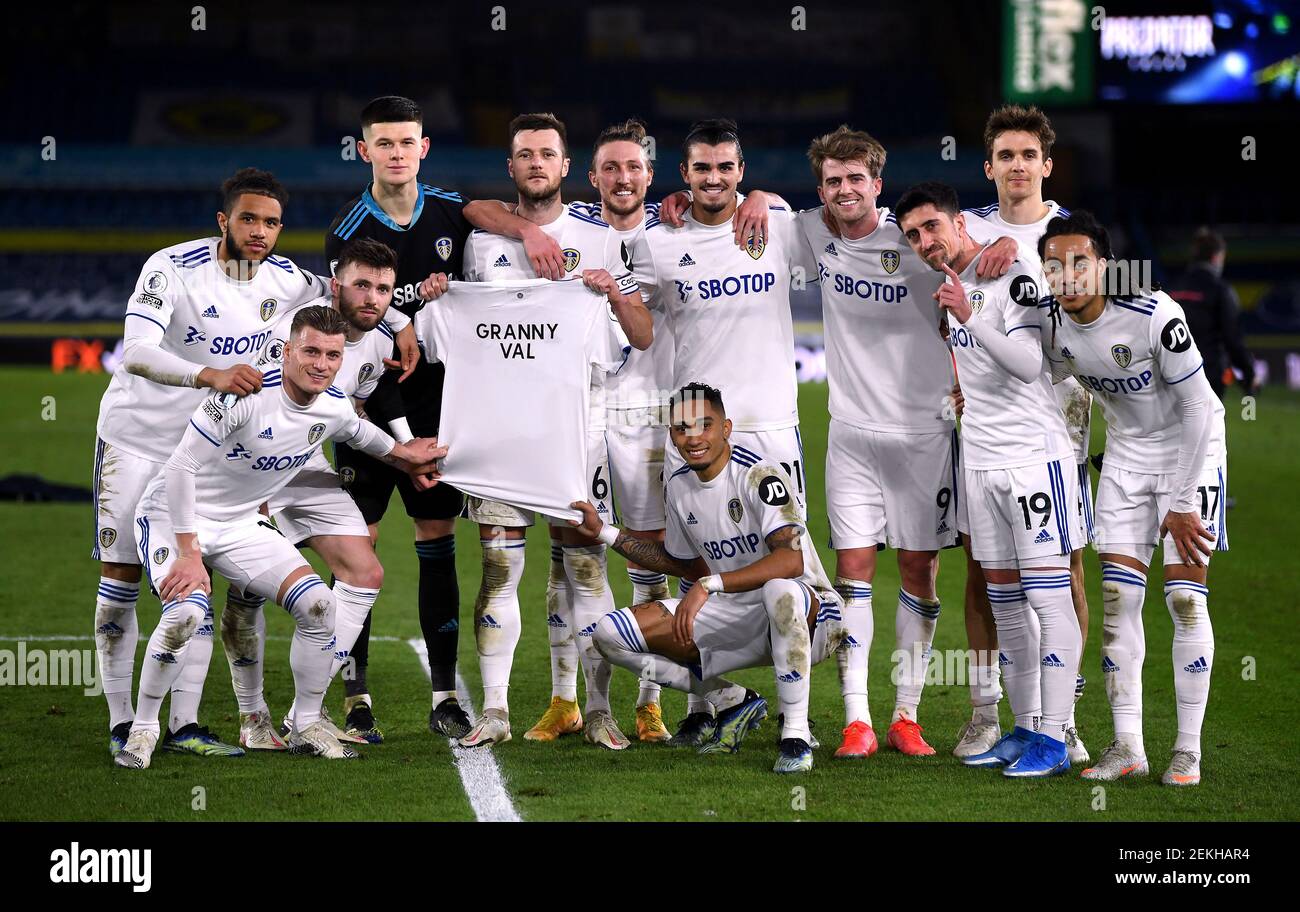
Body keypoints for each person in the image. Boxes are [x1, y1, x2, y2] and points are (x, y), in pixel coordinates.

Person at [91, 168, 404, 758]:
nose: (260, 232)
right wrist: (208, 374)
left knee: (198, 585)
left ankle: (185, 725)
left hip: (213, 453)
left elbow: (353, 290)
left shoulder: (289, 279)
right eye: (248, 219)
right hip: (142, 441)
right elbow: (133, 353)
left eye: (271, 222)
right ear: (224, 221)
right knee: (124, 578)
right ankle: (121, 718)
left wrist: (402, 321)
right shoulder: (172, 268)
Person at [324, 95, 566, 741]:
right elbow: (356, 324)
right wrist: (403, 318)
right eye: (385, 143)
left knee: (437, 543)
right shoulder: (346, 231)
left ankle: (443, 695)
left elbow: (487, 210)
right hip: (370, 413)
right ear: (365, 150)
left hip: (440, 408)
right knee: (358, 554)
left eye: (407, 142)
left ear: (422, 148)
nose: (397, 153)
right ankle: (355, 698)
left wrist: (530, 231)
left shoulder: (450, 211)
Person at [115, 306, 443, 768]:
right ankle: (144, 730)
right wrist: (189, 553)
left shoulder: (331, 406)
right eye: (310, 351)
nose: (321, 364)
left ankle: (306, 722)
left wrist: (405, 456)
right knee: (186, 613)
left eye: (332, 355)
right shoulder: (243, 395)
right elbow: (180, 467)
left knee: (319, 606)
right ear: (287, 351)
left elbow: (363, 434)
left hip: (240, 524)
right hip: (173, 517)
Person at [425, 112, 652, 749]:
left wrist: (615, 291)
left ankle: (600, 709)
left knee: (585, 568)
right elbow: (458, 309)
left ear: (564, 165)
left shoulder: (601, 238)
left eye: (546, 154)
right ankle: (495, 710)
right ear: (512, 166)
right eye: (523, 154)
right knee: (499, 567)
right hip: (499, 435)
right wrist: (442, 293)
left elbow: (637, 337)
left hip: (577, 434)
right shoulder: (479, 244)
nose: (535, 163)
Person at [634, 119, 816, 746]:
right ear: (683, 175)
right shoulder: (658, 243)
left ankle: (808, 711)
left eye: (726, 168)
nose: (714, 178)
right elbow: (636, 323)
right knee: (695, 560)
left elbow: (842, 227)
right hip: (693, 427)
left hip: (769, 425)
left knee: (793, 567)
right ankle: (714, 700)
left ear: (743, 171)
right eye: (702, 168)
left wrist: (769, 198)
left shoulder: (778, 224)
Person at [897, 182, 1084, 778]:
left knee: (1049, 599)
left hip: (1033, 459)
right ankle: (1026, 728)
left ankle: (1055, 740)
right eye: (913, 236)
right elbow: (981, 368)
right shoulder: (950, 286)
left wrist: (969, 315)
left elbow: (1032, 366)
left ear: (958, 222)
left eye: (932, 227)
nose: (925, 242)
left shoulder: (1014, 277)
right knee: (1004, 602)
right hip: (979, 462)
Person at [1036, 211, 1226, 787]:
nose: (1066, 276)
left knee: (1185, 601)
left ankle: (1187, 749)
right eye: (1054, 266)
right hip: (1124, 458)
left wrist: (1184, 498)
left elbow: (1199, 406)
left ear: (1105, 266)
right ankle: (1128, 747)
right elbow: (1024, 376)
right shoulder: (1052, 327)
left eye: (1079, 264)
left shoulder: (1153, 313)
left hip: (1193, 452)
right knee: (1118, 604)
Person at [576, 383, 849, 773]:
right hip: (738, 614)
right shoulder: (680, 485)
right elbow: (681, 562)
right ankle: (732, 700)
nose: (694, 437)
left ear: (726, 428)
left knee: (779, 591)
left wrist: (710, 584)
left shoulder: (760, 476)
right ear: (672, 435)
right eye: (682, 428)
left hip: (811, 618)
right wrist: (605, 531)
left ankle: (795, 734)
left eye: (705, 425)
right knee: (609, 634)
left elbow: (789, 561)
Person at [216, 237, 408, 750]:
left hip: (308, 467)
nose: (372, 297)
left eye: (383, 289)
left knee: (365, 572)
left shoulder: (381, 337)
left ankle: (307, 714)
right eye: (361, 285)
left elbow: (353, 413)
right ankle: (252, 715)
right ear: (335, 283)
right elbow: (239, 400)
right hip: (252, 464)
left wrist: (405, 450)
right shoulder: (291, 328)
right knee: (246, 593)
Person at [959, 104, 1092, 764]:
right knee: (987, 575)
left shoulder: (1070, 233)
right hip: (984, 427)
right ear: (989, 167)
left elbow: (1096, 314)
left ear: (1046, 164)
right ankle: (999, 714)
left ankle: (1060, 723)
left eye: (1027, 156)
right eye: (1004, 156)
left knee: (1066, 574)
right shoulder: (970, 230)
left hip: (1057, 417)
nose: (1016, 166)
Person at [1165, 227, 1258, 398]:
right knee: (1208, 424)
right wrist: (1249, 372)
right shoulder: (1221, 290)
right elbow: (1233, 338)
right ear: (1216, 257)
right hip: (1208, 371)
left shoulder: (1174, 287)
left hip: (1173, 371)